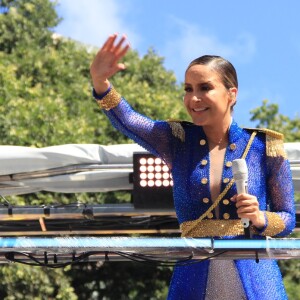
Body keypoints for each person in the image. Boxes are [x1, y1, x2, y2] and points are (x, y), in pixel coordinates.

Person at [90, 34, 295, 300]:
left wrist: (260, 218)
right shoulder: (177, 140)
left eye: (204, 88)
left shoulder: (263, 147)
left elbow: (288, 218)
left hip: (256, 279)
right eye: (188, 89)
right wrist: (100, 82)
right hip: (193, 279)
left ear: (232, 93)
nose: (194, 98)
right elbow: (129, 121)